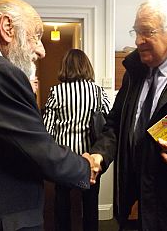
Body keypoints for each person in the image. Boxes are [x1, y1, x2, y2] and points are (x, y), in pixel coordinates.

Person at [0, 0, 96, 231]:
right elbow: (36, 147)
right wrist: (86, 167)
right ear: (7, 28)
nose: (42, 51)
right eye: (36, 36)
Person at [90, 0, 167, 230]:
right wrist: (99, 155)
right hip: (138, 204)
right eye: (136, 31)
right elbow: (115, 123)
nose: (138, 40)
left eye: (147, 32)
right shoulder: (134, 71)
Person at [43, 49, 110, 231]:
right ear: (86, 66)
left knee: (62, 202)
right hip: (90, 158)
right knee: (90, 204)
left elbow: (47, 128)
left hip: (64, 158)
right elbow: (110, 120)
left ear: (65, 67)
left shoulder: (56, 92)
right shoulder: (97, 91)